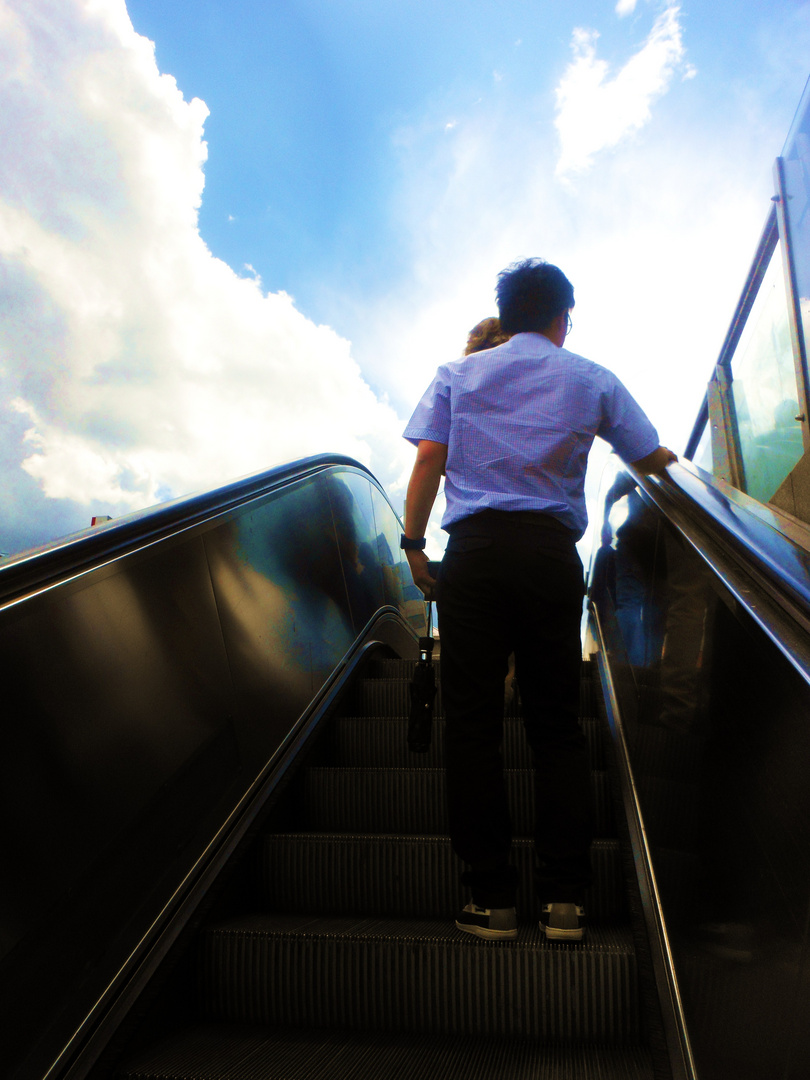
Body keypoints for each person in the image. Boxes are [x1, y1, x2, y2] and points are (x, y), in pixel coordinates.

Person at [400, 258, 676, 942]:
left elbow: (429, 460)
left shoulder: (457, 375)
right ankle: (565, 901)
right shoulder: (591, 377)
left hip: (476, 554)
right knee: (556, 726)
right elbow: (652, 460)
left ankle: (490, 898)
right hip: (551, 557)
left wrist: (412, 545)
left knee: (472, 726)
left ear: (508, 310)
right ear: (562, 316)